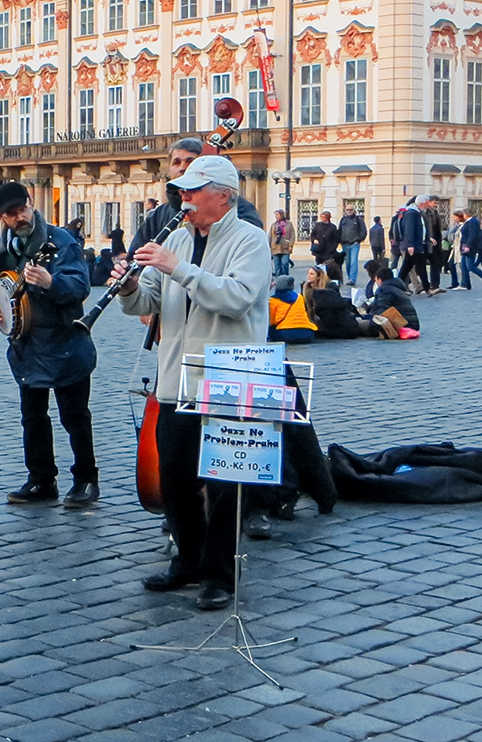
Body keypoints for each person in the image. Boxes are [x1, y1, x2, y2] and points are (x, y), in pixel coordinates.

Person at [112, 153, 269, 611]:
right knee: (176, 479)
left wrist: (175, 266)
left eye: (193, 191)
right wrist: (126, 287)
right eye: (181, 189)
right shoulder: (178, 236)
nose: (183, 198)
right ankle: (189, 560)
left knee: (224, 485)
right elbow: (150, 301)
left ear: (222, 197)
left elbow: (236, 299)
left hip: (229, 376)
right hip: (175, 378)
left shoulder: (250, 239)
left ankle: (220, 574)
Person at [0, 181, 99, 507]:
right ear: (1, 216)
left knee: (74, 416)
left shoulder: (61, 242)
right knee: (33, 416)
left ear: (31, 203)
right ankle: (41, 479)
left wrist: (51, 282)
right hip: (26, 344)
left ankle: (86, 479)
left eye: (24, 209)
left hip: (65, 342)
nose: (20, 217)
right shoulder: (3, 247)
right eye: (12, 214)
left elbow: (80, 287)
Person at [133, 138, 264, 257]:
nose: (183, 168)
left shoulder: (240, 210)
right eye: (176, 162)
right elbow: (138, 258)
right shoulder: (158, 216)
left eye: (190, 161)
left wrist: (176, 267)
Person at [302, 266, 367, 339]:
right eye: (308, 273)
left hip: (341, 324)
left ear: (318, 276)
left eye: (311, 274)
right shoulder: (307, 288)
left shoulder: (328, 289)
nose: (308, 276)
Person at [363, 264, 419, 333]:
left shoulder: (384, 289)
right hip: (413, 324)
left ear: (379, 280)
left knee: (357, 324)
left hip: (403, 326)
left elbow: (379, 312)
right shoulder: (398, 288)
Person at [400, 196, 435, 295]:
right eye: (427, 203)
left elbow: (421, 229)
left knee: (406, 268)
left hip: (417, 244)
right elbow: (409, 230)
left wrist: (427, 238)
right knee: (421, 267)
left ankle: (396, 285)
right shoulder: (411, 213)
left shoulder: (417, 212)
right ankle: (427, 288)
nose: (428, 205)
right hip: (414, 245)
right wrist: (410, 245)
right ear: (422, 203)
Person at [266, 274, 316, 344]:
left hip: (285, 333)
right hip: (306, 333)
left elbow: (272, 321)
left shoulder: (273, 300)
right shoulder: (299, 297)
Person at [455, 210, 482, 291]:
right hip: (465, 245)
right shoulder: (469, 221)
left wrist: (468, 245)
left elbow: (472, 234)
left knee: (470, 266)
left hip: (470, 247)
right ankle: (464, 284)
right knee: (463, 266)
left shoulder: (473, 221)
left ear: (467, 214)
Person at [337, 205, 366, 286]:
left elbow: (363, 231)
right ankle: (350, 277)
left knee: (354, 261)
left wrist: (358, 240)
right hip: (345, 244)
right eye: (347, 210)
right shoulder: (343, 220)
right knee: (348, 262)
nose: (349, 211)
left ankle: (352, 279)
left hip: (354, 244)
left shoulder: (358, 220)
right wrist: (340, 241)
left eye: (350, 209)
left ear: (354, 210)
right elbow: (339, 230)